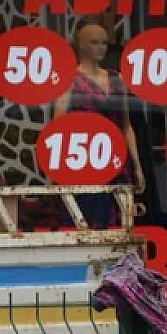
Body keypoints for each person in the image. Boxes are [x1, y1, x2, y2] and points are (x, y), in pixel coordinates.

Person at [54, 22, 144, 227]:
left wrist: (137, 164)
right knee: (88, 218)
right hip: (85, 159)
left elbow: (126, 125)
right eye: (94, 43)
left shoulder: (117, 79)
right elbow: (58, 127)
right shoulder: (70, 80)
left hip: (116, 159)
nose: (101, 48)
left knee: (121, 219)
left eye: (104, 43)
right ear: (82, 45)